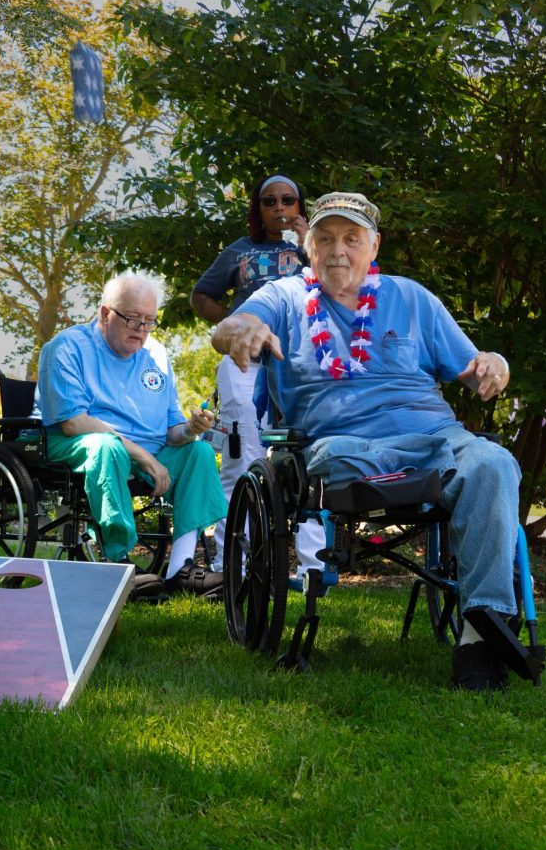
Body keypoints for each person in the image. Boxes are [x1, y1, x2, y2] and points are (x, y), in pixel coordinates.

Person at [212, 191, 520, 691]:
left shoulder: (412, 298)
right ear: (307, 248)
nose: (338, 251)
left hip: (433, 438)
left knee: (493, 464)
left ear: (373, 246)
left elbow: (473, 367)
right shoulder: (286, 297)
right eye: (326, 239)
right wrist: (239, 331)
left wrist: (495, 364)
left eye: (351, 239)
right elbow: (233, 324)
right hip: (340, 446)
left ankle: (480, 638)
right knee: (333, 459)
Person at [37, 273, 228, 595]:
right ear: (104, 314)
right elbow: (73, 423)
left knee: (199, 452)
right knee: (106, 447)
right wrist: (141, 456)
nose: (141, 330)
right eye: (133, 319)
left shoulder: (155, 353)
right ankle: (118, 561)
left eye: (149, 321)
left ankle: (181, 568)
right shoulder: (66, 347)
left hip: (147, 449)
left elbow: (171, 431)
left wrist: (191, 430)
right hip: (76, 443)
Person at [192, 173, 324, 575]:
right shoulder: (239, 252)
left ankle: (313, 567)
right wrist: (234, 324)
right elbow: (201, 295)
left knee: (309, 455)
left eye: (289, 200)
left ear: (300, 206)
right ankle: (235, 562)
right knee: (241, 454)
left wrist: (309, 243)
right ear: (258, 208)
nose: (280, 208)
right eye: (270, 202)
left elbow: (344, 288)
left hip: (300, 360)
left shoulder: (317, 251)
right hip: (246, 361)